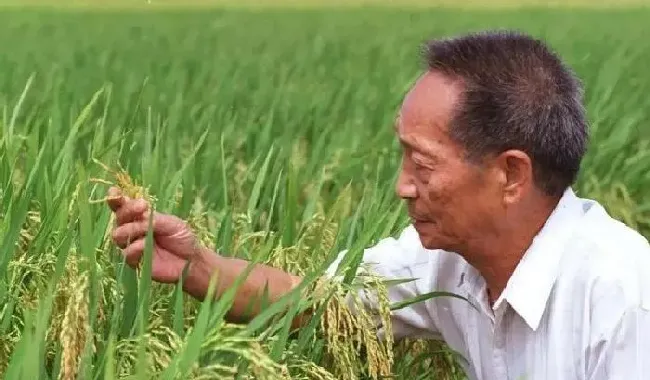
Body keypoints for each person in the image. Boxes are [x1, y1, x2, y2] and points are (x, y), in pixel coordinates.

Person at [105, 30, 650, 380]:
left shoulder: (623, 300)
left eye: (424, 163)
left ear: (511, 174)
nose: (403, 187)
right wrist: (197, 268)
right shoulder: (445, 263)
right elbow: (323, 302)